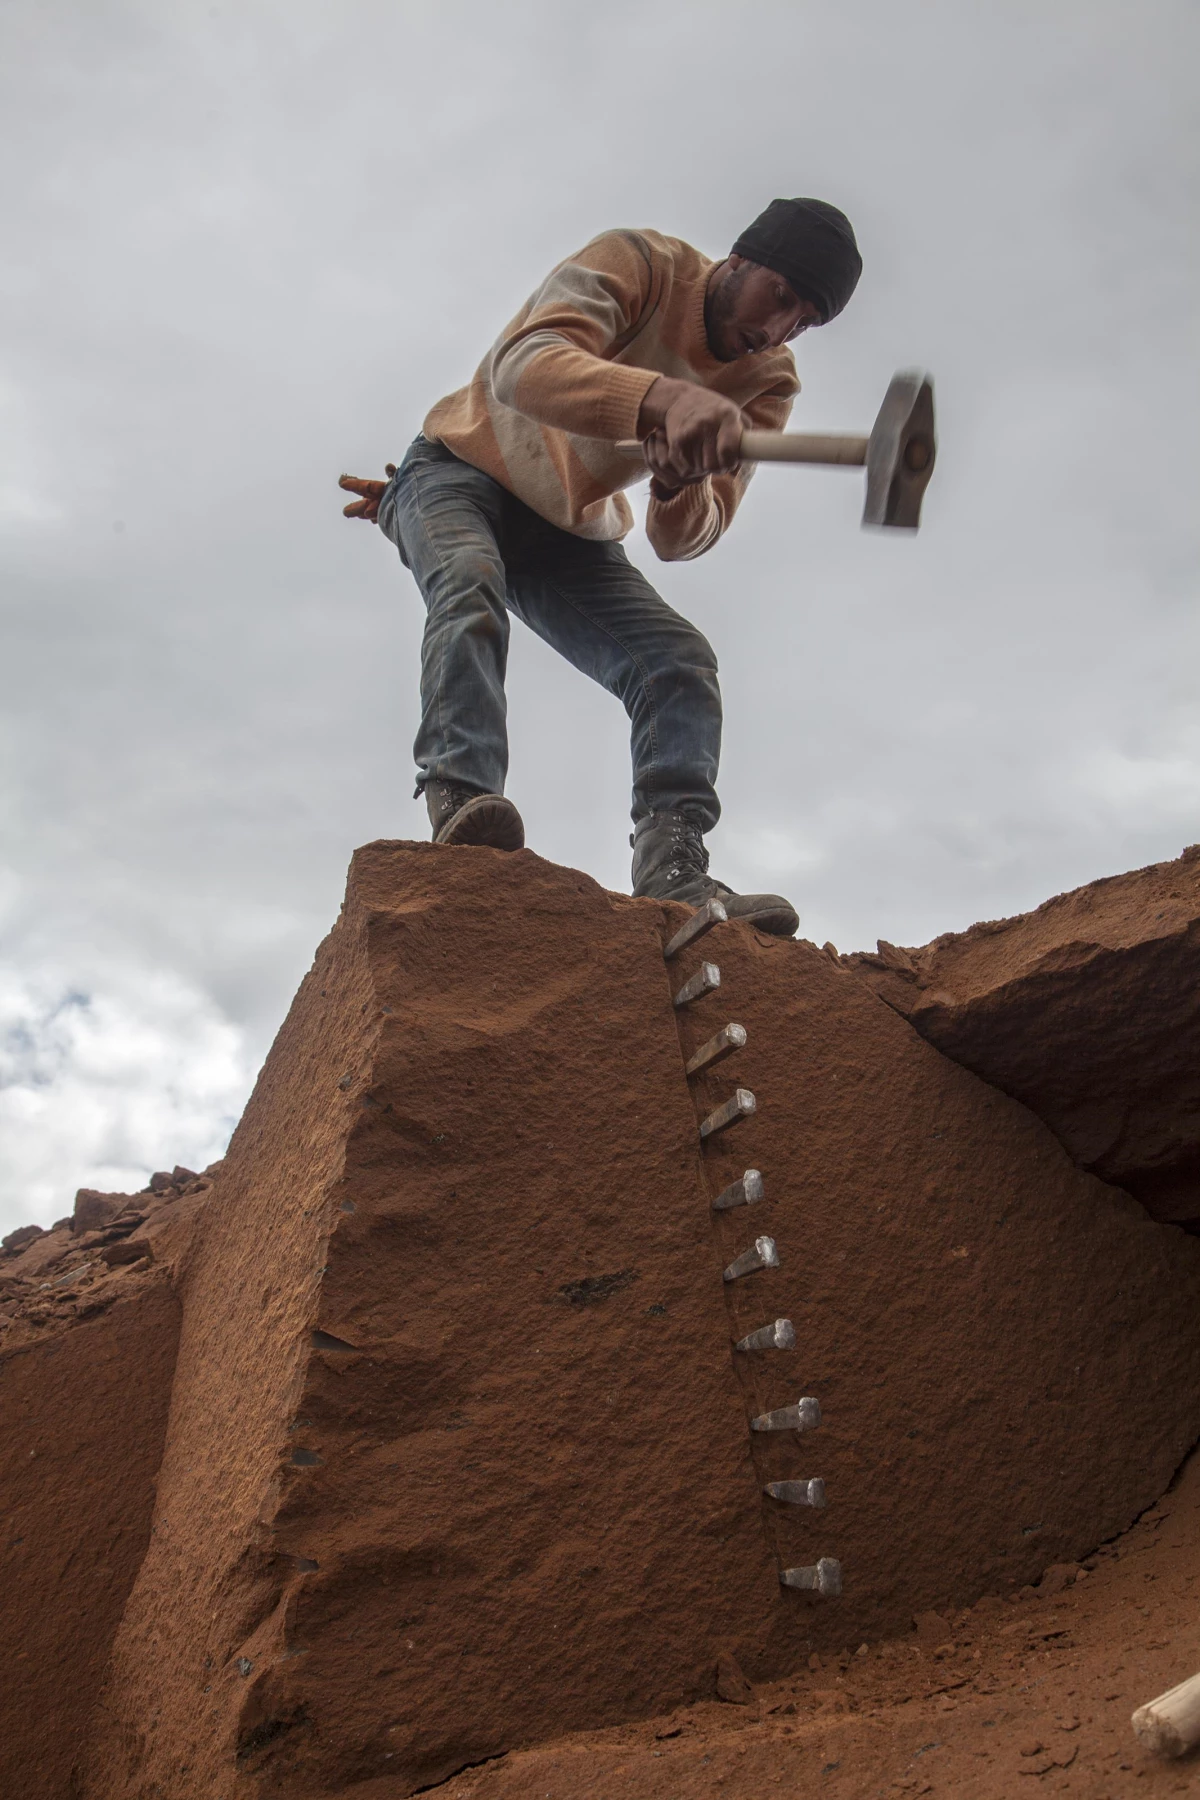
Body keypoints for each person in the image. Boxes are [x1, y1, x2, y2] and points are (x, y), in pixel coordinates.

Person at [339, 197, 862, 937]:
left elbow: (688, 538)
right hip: (460, 470)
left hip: (567, 528)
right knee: (468, 579)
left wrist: (677, 485)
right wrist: (659, 398)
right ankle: (462, 799)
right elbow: (523, 369)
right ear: (738, 260)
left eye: (804, 321)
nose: (778, 330)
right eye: (778, 297)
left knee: (677, 662)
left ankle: (675, 869)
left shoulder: (767, 383)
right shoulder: (641, 264)